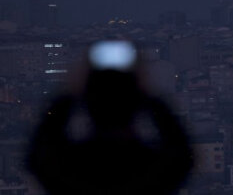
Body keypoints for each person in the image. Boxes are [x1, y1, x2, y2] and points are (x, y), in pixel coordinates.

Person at [27, 40, 192, 195]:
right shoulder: (152, 171)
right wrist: (147, 91)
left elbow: (40, 153)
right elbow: (181, 153)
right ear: (136, 105)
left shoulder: (72, 170)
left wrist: (71, 90)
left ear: (88, 105)